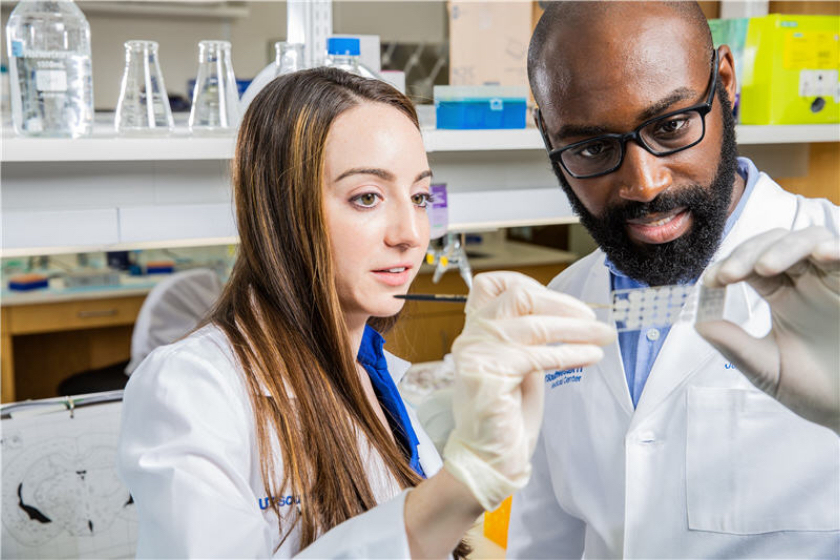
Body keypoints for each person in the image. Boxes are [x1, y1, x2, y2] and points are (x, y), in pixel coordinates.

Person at [117, 67, 616, 558]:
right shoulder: (192, 389)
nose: (411, 233)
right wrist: (463, 484)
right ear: (282, 211)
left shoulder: (386, 380)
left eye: (420, 196)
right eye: (367, 197)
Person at [507, 2, 840, 558]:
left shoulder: (833, 263)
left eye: (671, 125)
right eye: (592, 147)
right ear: (547, 135)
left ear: (726, 84)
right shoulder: (558, 309)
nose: (644, 182)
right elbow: (545, 544)